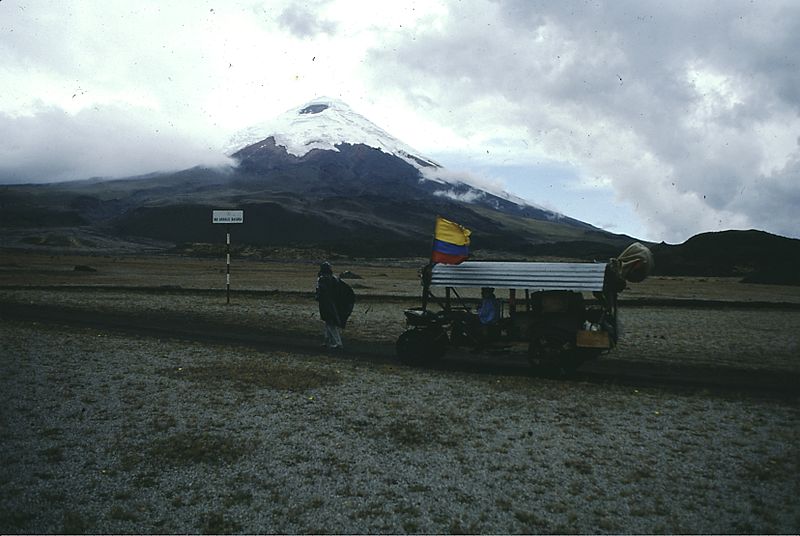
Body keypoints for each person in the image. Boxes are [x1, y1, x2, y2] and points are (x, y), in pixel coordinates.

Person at [315, 261, 343, 350]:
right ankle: (327, 341)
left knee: (330, 323)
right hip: (333, 302)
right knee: (329, 322)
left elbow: (320, 292)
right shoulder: (335, 279)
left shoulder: (322, 279)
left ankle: (338, 343)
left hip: (326, 303)